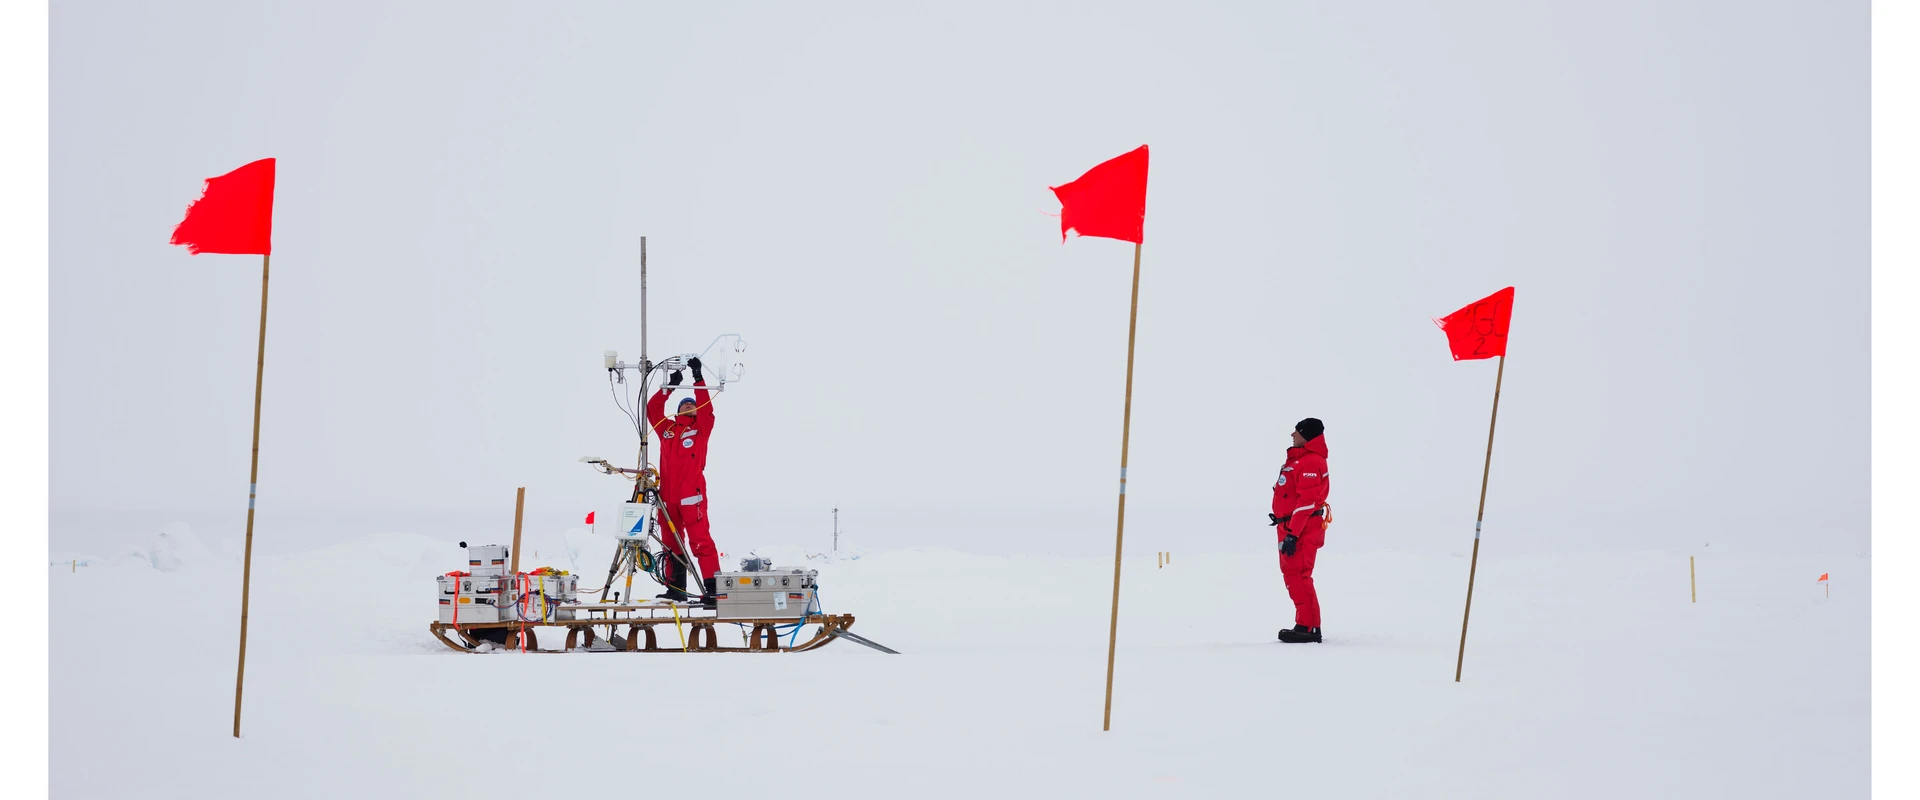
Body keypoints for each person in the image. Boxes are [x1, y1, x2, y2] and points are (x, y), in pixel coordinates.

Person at [646, 356, 720, 606]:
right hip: (667, 497)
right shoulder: (666, 429)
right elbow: (652, 409)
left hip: (692, 496)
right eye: (684, 405)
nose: (689, 407)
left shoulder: (701, 429)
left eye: (692, 405)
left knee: (701, 541)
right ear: (677, 411)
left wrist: (698, 378)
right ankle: (676, 588)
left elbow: (707, 408)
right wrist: (671, 386)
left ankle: (713, 590)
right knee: (670, 543)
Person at [1269, 417, 1330, 643]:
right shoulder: (1299, 460)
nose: (1292, 435)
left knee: (1299, 575)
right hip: (1290, 526)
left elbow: (1307, 501)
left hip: (1301, 529)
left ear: (1308, 435)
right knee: (1293, 575)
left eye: (1297, 431)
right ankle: (1306, 625)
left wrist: (1293, 533)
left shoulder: (1311, 462)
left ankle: (1308, 628)